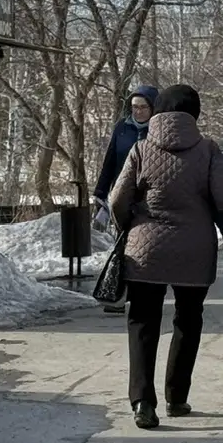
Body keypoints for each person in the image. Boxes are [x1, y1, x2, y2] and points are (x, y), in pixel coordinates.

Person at [107, 83, 223, 430]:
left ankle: (142, 403)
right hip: (194, 248)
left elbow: (117, 200)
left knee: (142, 321)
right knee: (188, 319)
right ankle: (177, 397)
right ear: (194, 113)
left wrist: (131, 226)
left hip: (145, 248)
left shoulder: (140, 148)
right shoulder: (208, 149)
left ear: (158, 112)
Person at [93, 84, 158, 315]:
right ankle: (118, 294)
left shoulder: (159, 130)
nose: (137, 112)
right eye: (134, 107)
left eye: (142, 107)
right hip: (121, 196)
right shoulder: (123, 127)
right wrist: (100, 192)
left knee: (142, 248)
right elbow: (110, 160)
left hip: (148, 199)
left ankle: (140, 295)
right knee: (121, 246)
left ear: (153, 108)